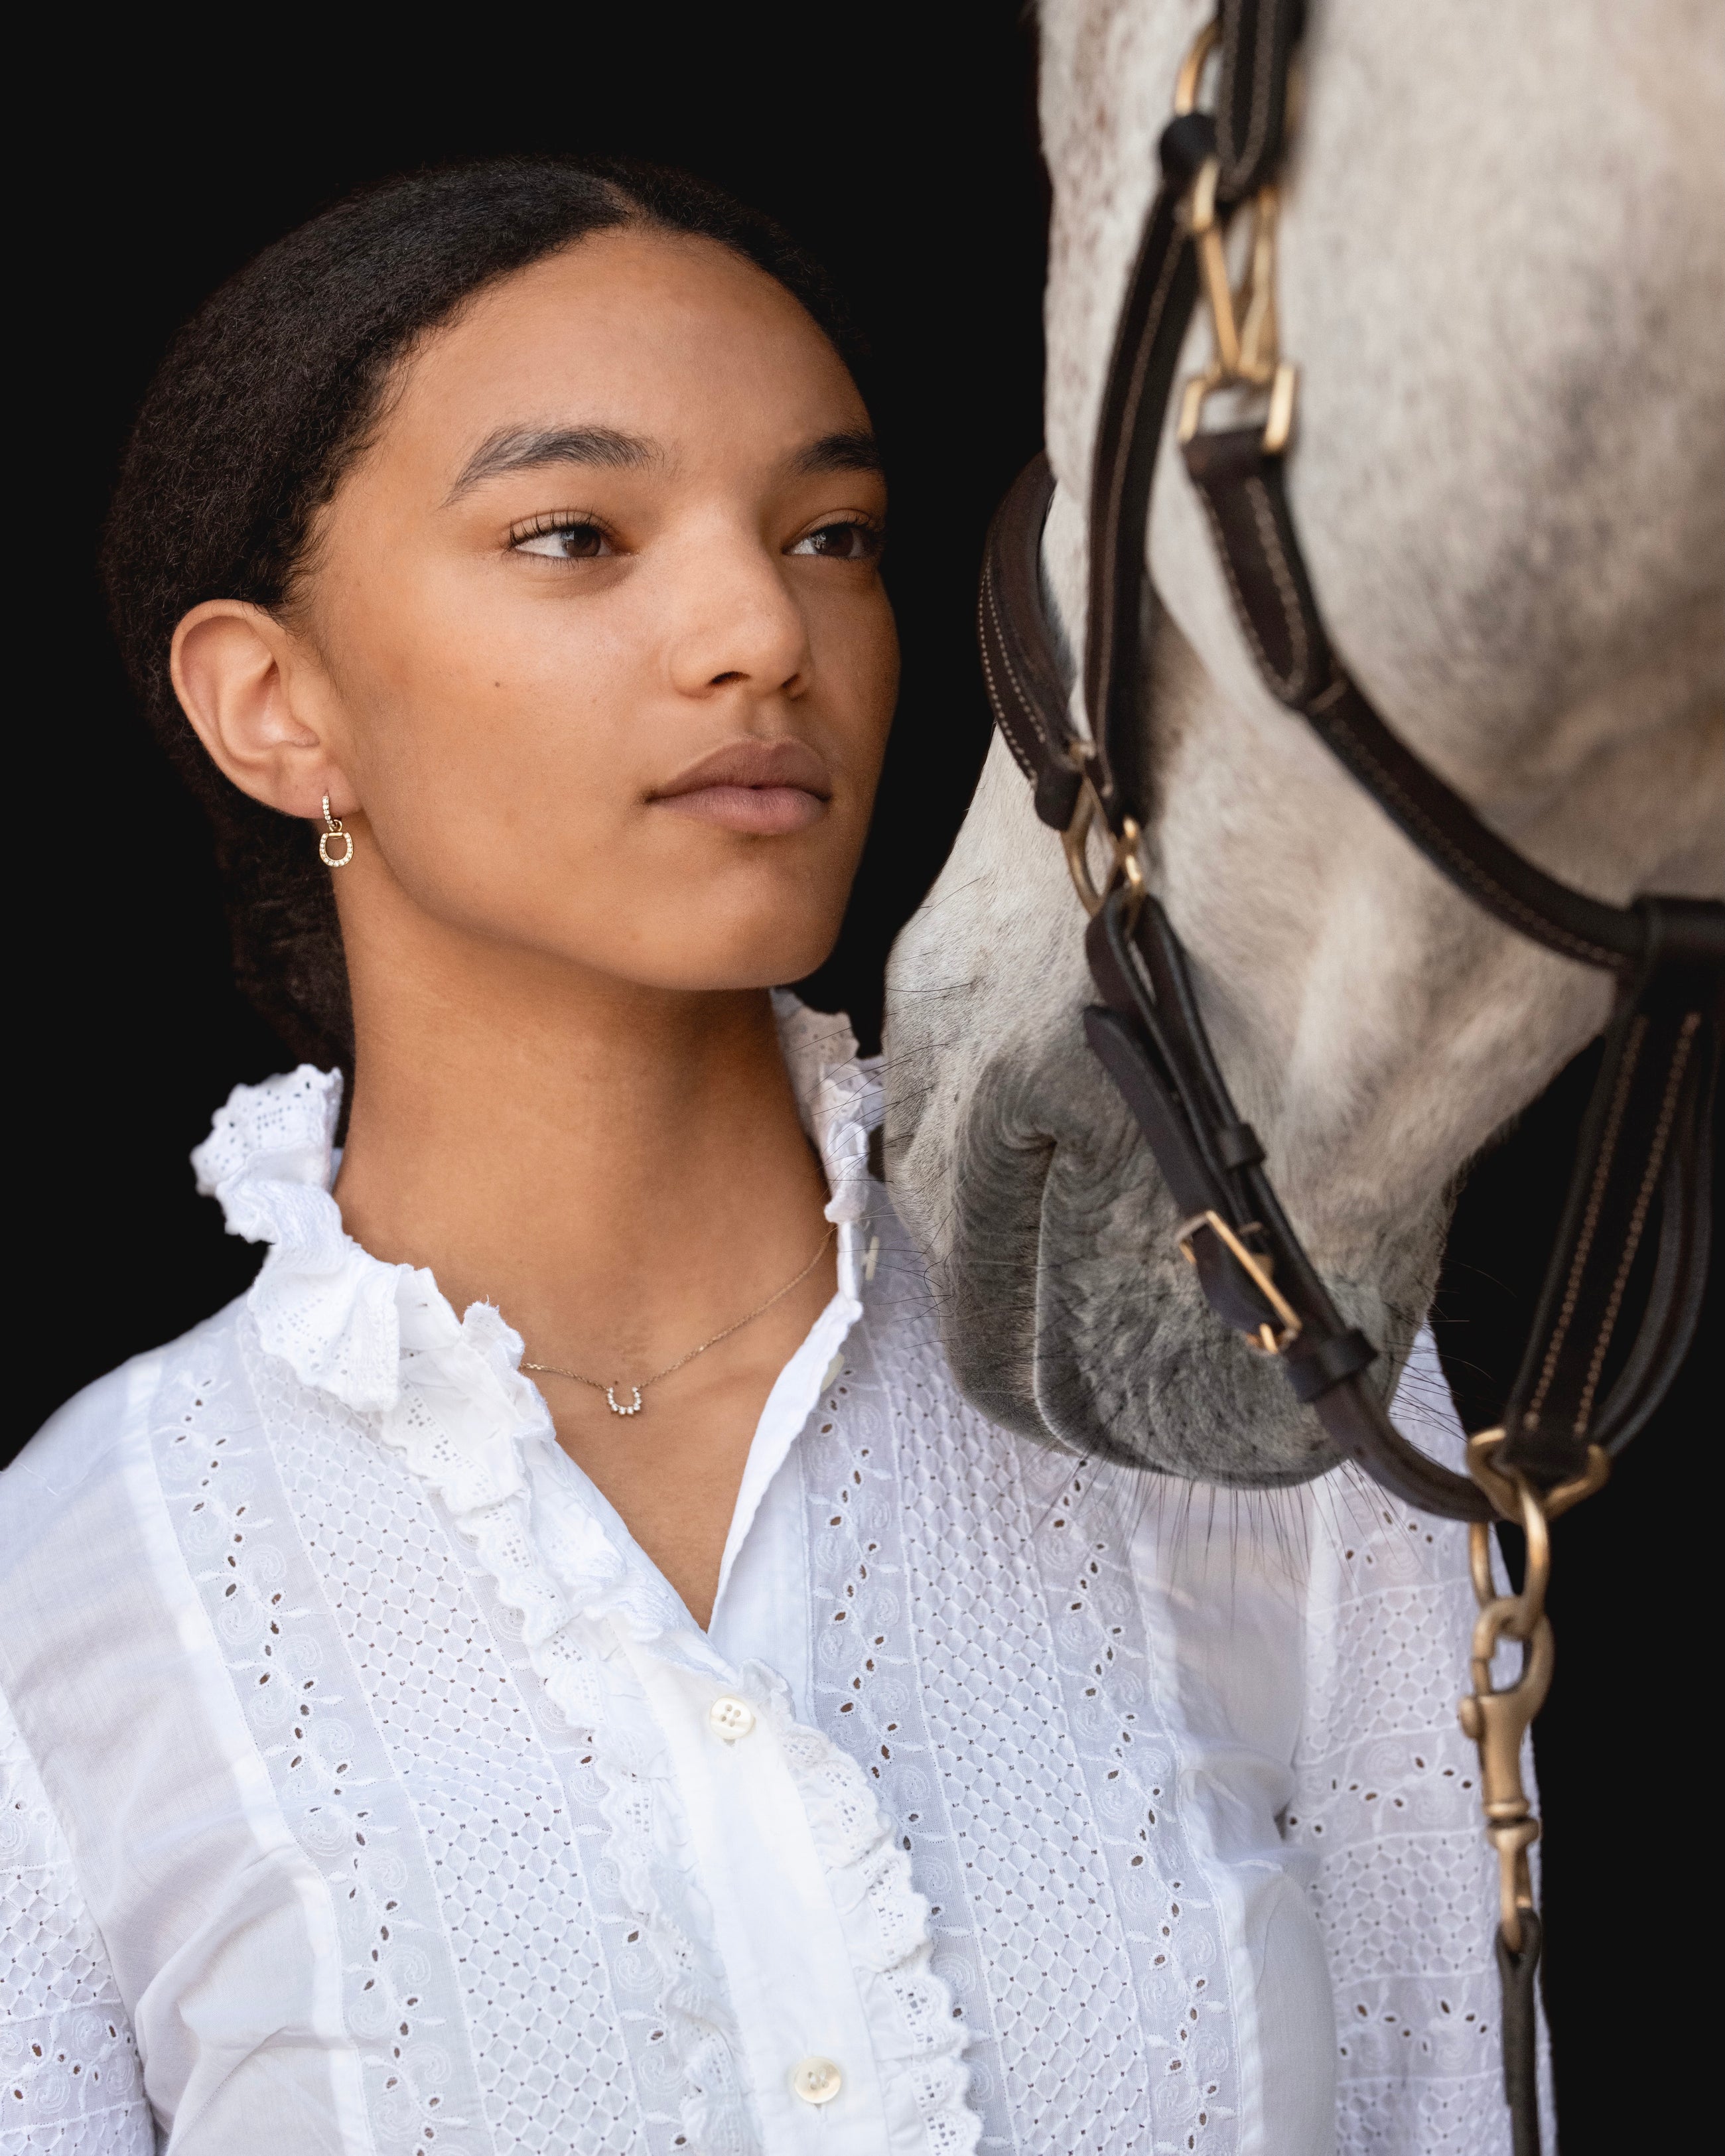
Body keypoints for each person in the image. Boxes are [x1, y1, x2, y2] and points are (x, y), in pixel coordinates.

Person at [0, 159, 1516, 2155]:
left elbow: (1459, 2106)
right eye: (575, 533)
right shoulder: (82, 1595)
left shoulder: (1236, 1370)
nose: (761, 631)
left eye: (833, 533)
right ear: (274, 707)